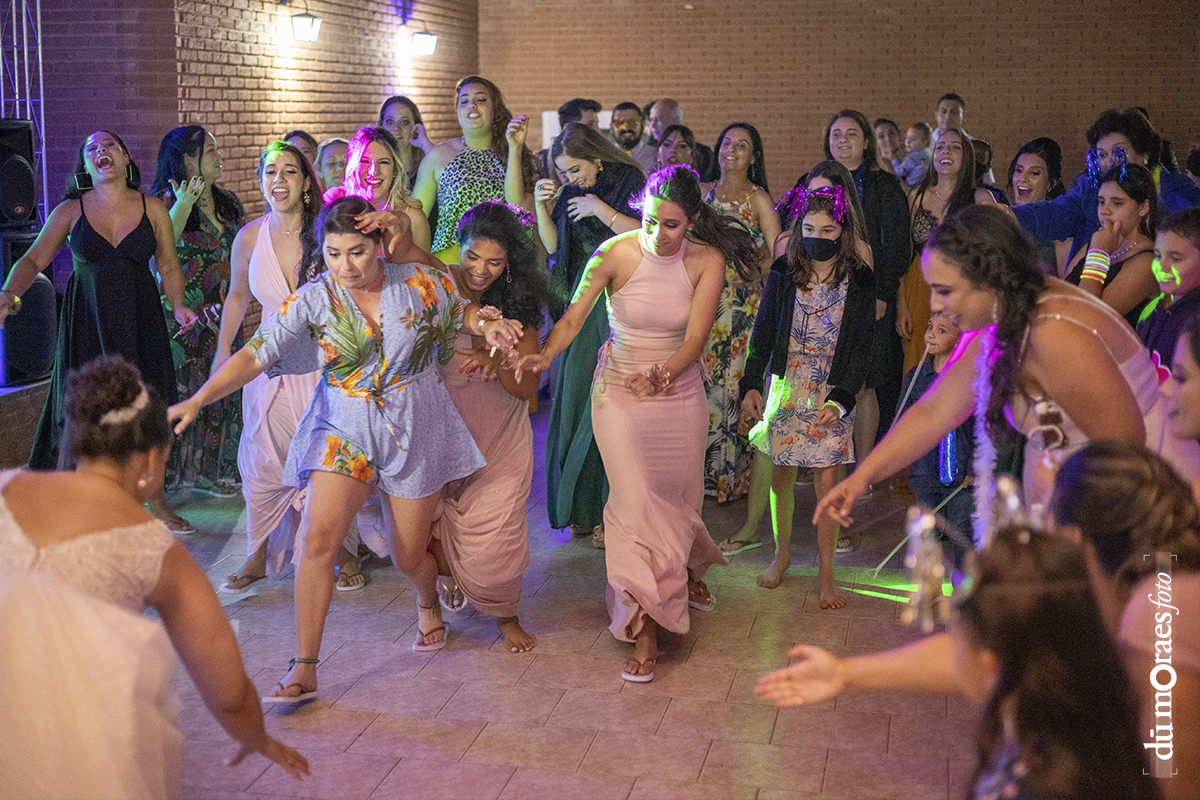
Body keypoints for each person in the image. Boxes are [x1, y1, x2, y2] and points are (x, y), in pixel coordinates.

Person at [168, 197, 523, 701]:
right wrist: (201, 397)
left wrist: (489, 325)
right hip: (343, 423)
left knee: (407, 554)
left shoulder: (419, 282)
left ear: (379, 245)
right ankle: (304, 667)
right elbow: (256, 353)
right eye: (333, 253)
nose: (345, 266)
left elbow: (462, 311)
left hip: (414, 424)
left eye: (356, 251)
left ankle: (427, 599)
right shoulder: (315, 298)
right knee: (316, 539)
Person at [759, 439, 1198, 800]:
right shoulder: (1089, 616)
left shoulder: (1158, 627)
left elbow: (1170, 778)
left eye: (1045, 514)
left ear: (1075, 539)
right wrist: (845, 672)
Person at [0, 356, 308, 798]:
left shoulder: (7, 485)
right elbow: (228, 690)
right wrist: (255, 737)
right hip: (79, 739)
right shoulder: (156, 551)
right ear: (150, 459)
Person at [816, 205, 1197, 537]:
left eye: (945, 290)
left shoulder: (1053, 332)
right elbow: (935, 412)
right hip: (1072, 491)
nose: (934, 305)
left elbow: (1123, 448)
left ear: (990, 280)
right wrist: (861, 477)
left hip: (1137, 495)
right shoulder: (998, 319)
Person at [518, 165, 758, 682]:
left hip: (679, 391)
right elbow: (574, 317)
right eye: (650, 221)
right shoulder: (615, 253)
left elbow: (694, 342)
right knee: (633, 505)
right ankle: (644, 623)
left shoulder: (707, 260)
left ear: (692, 220)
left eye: (671, 225)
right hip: (620, 392)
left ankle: (689, 570)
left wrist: (664, 374)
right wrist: (543, 356)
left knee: (677, 497)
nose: (657, 234)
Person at [1, 132, 197, 503]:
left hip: (140, 320)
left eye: (108, 145)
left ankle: (156, 503)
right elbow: (33, 259)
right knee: (88, 412)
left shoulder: (152, 207)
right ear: (86, 166)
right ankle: (86, 500)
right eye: (91, 149)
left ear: (125, 158)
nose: (100, 151)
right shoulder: (71, 211)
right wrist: (8, 292)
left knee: (144, 406)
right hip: (87, 322)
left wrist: (178, 304)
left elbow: (169, 266)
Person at [213, 141, 371, 593]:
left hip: (322, 356)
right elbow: (238, 297)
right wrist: (225, 351)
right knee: (261, 455)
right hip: (267, 356)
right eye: (269, 172)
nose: (277, 180)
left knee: (327, 452)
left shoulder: (326, 230)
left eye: (288, 172)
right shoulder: (249, 237)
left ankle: (342, 548)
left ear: (305, 183)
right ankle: (257, 553)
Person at [432, 201, 560, 652]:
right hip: (443, 428)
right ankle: (446, 582)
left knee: (499, 528)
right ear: (458, 247)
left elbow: (525, 389)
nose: (480, 270)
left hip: (500, 435)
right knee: (426, 526)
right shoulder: (441, 281)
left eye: (494, 262)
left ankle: (506, 616)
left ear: (509, 263)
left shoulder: (519, 302)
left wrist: (504, 356)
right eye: (472, 256)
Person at [739, 186, 875, 603]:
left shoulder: (860, 279)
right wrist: (750, 385)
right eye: (810, 227)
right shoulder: (783, 271)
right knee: (782, 474)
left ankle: (827, 575)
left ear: (843, 231)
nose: (819, 235)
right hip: (788, 384)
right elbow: (762, 333)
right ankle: (781, 557)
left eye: (829, 229)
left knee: (827, 481)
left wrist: (843, 399)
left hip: (831, 390)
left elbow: (863, 345)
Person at [533, 122, 646, 547]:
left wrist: (601, 208)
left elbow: (645, 237)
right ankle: (581, 507)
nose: (571, 179)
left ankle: (609, 511)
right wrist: (546, 208)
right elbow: (555, 249)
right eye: (563, 173)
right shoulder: (569, 192)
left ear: (597, 158)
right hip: (581, 301)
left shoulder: (630, 180)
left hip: (619, 298)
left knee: (612, 407)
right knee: (580, 399)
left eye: (576, 170)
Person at [151, 125, 246, 501]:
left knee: (225, 388)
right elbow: (158, 253)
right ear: (188, 159)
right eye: (211, 151)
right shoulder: (161, 203)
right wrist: (183, 205)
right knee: (188, 390)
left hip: (225, 315)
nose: (219, 157)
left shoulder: (228, 202)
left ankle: (218, 470)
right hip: (184, 318)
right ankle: (183, 476)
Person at [818, 110, 912, 459]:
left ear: (867, 142)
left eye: (852, 134)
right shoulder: (813, 181)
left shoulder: (883, 186)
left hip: (866, 293)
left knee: (864, 384)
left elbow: (899, 246)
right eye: (836, 134)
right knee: (819, 380)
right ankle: (821, 457)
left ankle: (865, 466)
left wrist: (884, 294)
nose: (843, 140)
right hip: (819, 296)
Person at [1011, 108, 1200, 269]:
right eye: (1102, 154)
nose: (1111, 161)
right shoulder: (1090, 191)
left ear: (1145, 155)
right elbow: (1052, 214)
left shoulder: (1180, 200)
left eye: (1120, 151)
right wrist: (1004, 216)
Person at [699, 122, 778, 503]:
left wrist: (753, 270)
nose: (732, 149)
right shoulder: (703, 193)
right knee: (705, 387)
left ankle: (736, 478)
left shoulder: (758, 198)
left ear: (754, 155)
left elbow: (780, 253)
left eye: (742, 145)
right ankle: (704, 476)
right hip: (706, 304)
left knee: (736, 387)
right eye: (727, 142)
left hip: (745, 306)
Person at [896, 126, 994, 374]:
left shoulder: (981, 198)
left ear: (967, 157)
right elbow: (903, 254)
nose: (945, 151)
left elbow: (996, 252)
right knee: (915, 371)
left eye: (955, 147)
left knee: (960, 370)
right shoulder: (915, 197)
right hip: (919, 289)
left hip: (962, 292)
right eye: (940, 146)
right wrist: (901, 305)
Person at [412, 75, 536, 264]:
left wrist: (515, 149)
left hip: (498, 266)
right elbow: (415, 216)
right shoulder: (438, 156)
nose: (472, 105)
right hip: (451, 265)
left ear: (495, 109)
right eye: (464, 101)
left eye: (481, 99)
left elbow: (517, 208)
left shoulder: (510, 154)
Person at [895, 314, 974, 569]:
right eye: (930, 327)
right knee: (928, 530)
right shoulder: (916, 377)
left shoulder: (968, 379)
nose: (931, 334)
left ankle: (966, 587)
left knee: (962, 528)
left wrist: (973, 466)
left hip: (962, 473)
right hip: (926, 470)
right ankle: (929, 588)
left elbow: (980, 428)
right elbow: (903, 420)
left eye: (942, 331)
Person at [1066, 163, 1158, 327]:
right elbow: (1061, 294)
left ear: (1143, 207)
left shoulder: (1147, 261)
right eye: (1101, 202)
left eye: (1117, 203)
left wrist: (1099, 253)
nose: (1105, 211)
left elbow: (1089, 318)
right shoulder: (1097, 243)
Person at [322, 126, 431, 252]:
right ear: (352, 165)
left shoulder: (413, 218)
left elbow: (425, 270)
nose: (374, 172)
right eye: (365, 161)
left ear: (395, 169)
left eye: (383, 162)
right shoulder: (335, 200)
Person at [1138, 208, 1200, 368]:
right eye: (1158, 256)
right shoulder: (1156, 308)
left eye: (1175, 258)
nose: (1161, 267)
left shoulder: (1195, 324)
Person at [1006, 137, 1068, 275]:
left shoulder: (1060, 230)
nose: (1023, 178)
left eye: (1034, 173)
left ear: (1051, 183)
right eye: (1019, 170)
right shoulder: (1004, 219)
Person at [647, 99, 714, 180]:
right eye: (651, 120)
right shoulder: (647, 150)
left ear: (676, 120)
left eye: (659, 119)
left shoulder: (704, 153)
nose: (653, 125)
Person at [379, 95, 435, 191]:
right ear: (380, 126)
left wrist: (425, 144)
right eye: (389, 121)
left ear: (416, 127)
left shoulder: (428, 168)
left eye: (404, 122)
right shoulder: (374, 171)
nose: (396, 128)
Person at [536, 98, 602, 179]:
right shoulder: (541, 162)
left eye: (597, 124)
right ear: (569, 128)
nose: (597, 130)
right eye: (590, 125)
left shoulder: (599, 159)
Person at [610, 100, 657, 173]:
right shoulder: (603, 157)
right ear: (611, 127)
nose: (626, 128)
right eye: (620, 122)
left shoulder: (656, 156)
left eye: (633, 122)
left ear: (642, 124)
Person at [893, 122, 931, 188]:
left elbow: (899, 172)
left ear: (924, 143)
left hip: (913, 187)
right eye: (907, 137)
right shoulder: (929, 153)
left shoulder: (911, 158)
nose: (907, 141)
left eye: (912, 139)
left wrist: (894, 160)